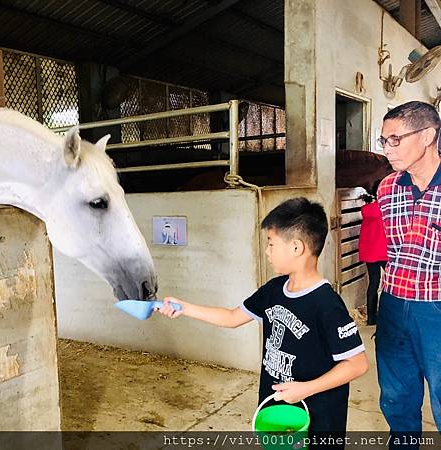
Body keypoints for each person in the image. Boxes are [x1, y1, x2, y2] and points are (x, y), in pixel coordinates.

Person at [157, 197, 368, 446]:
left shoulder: (327, 304)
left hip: (318, 417)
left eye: (271, 243)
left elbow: (357, 364)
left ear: (296, 248)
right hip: (275, 407)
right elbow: (232, 317)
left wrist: (305, 388)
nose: (267, 252)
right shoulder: (273, 290)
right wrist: (185, 308)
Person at [375, 101, 441, 444]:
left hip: (436, 308)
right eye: (384, 140)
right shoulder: (387, 188)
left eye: (395, 139)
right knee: (396, 395)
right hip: (393, 303)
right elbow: (394, 250)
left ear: (428, 135)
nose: (387, 149)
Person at [358, 179, 387, 326]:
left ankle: (371, 318)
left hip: (370, 253)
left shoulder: (366, 210)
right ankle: (388, 315)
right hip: (384, 252)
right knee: (391, 284)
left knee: (373, 283)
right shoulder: (386, 209)